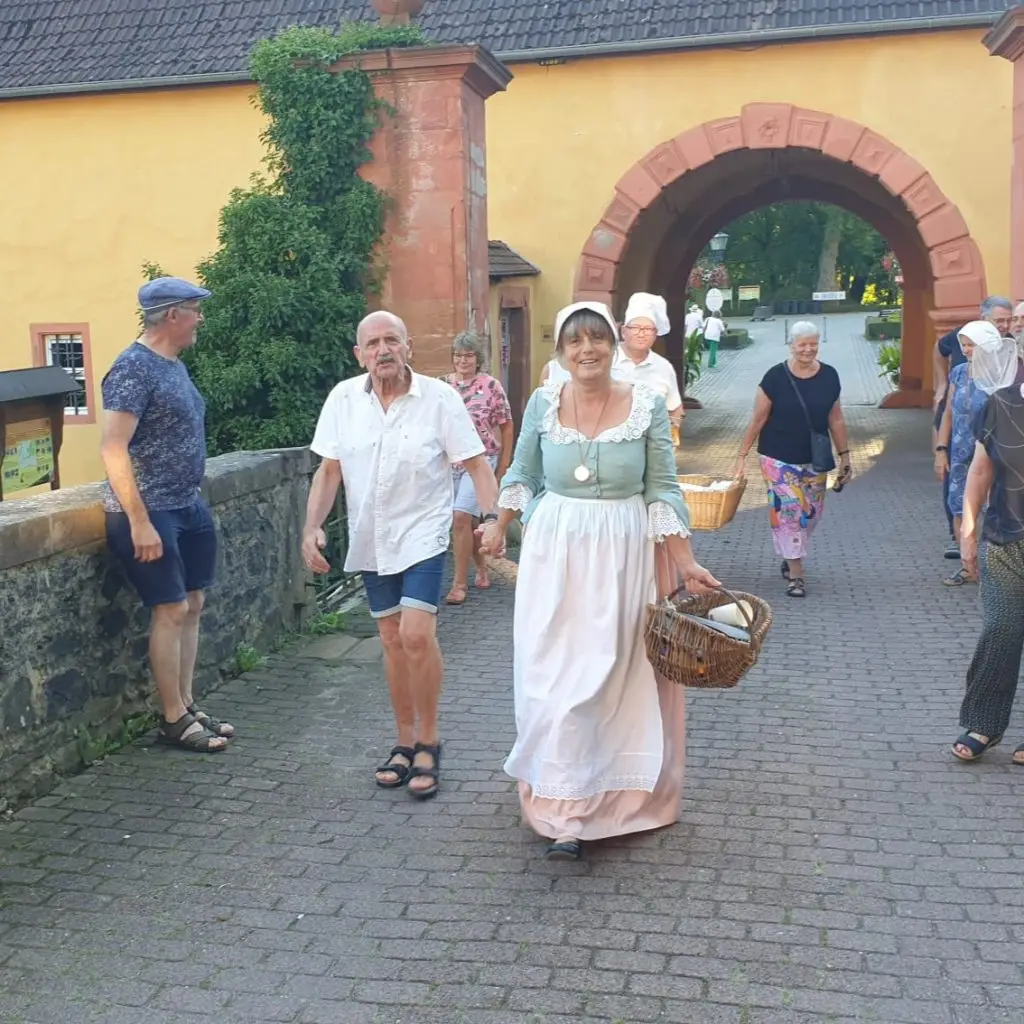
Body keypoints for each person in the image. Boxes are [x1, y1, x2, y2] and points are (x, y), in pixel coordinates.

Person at [479, 300, 720, 861]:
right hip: (555, 548)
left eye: (597, 340)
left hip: (623, 549)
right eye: (574, 342)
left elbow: (663, 487)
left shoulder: (646, 405)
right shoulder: (543, 402)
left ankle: (608, 803)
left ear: (613, 346)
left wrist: (685, 562)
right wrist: (499, 524)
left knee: (610, 674)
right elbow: (523, 472)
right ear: (561, 352)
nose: (587, 350)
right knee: (553, 675)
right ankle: (563, 804)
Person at [302, 311, 498, 800]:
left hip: (423, 533)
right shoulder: (343, 400)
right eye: (373, 343)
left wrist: (493, 518)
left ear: (409, 346)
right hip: (372, 538)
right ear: (359, 354)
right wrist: (310, 529)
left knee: (415, 634)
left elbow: (475, 463)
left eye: (392, 340)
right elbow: (329, 472)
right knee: (390, 639)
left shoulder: (439, 399)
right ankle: (404, 741)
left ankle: (430, 740)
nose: (383, 350)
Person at [100, 276, 233, 753]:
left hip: (186, 503)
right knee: (171, 608)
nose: (201, 319)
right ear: (172, 315)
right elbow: (113, 448)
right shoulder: (132, 369)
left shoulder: (172, 364)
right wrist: (139, 521)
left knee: (192, 604)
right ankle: (173, 719)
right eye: (196, 310)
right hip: (150, 511)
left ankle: (187, 702)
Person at [733, 320, 851, 598]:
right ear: (791, 346)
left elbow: (836, 417)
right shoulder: (775, 377)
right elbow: (758, 418)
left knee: (811, 513)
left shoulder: (830, 376)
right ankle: (796, 575)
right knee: (789, 514)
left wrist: (845, 456)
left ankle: (790, 553)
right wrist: (742, 455)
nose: (808, 350)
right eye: (802, 345)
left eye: (813, 344)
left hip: (814, 458)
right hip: (777, 457)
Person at [949, 339, 1024, 763]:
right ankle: (984, 723)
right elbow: (980, 470)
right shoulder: (1000, 404)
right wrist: (969, 532)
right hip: (1006, 537)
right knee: (1000, 631)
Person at [932, 296, 1013, 560]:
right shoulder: (958, 373)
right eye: (964, 345)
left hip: (993, 452)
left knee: (992, 506)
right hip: (960, 450)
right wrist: (941, 449)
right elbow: (949, 413)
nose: (966, 350)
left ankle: (993, 563)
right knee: (958, 504)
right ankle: (967, 564)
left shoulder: (1005, 375)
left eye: (971, 345)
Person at [441, 331, 514, 605]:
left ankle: (458, 584)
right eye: (458, 355)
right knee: (468, 522)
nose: (463, 360)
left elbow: (506, 424)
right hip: (450, 462)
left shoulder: (491, 385)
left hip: (481, 460)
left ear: (478, 358)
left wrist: (504, 464)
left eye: (468, 355)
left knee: (461, 517)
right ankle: (481, 566)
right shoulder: (442, 386)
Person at [614, 293, 684, 444]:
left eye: (648, 329)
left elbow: (675, 409)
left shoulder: (663, 367)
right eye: (635, 328)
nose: (642, 334)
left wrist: (672, 432)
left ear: (655, 334)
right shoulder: (606, 361)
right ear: (624, 331)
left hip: (651, 448)